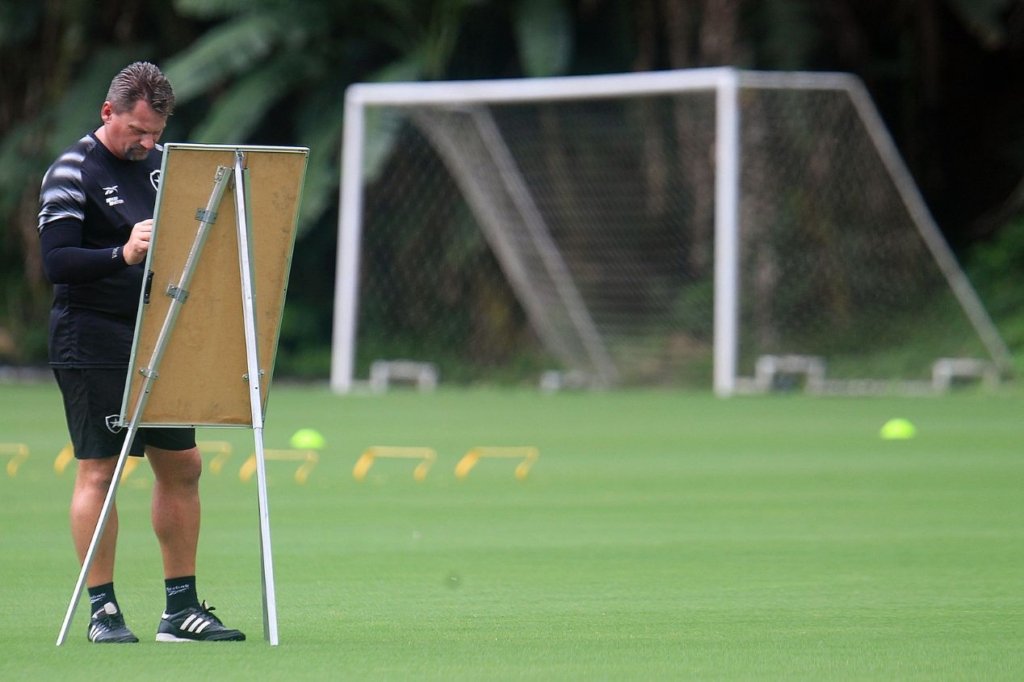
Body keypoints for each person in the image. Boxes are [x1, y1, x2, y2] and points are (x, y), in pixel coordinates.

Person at [38, 61, 245, 643]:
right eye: (138, 130)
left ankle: (180, 611)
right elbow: (55, 262)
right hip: (92, 335)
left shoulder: (164, 168)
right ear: (109, 113)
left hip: (160, 333)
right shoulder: (71, 171)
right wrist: (121, 254)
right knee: (100, 471)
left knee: (183, 465)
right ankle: (103, 612)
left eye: (156, 132)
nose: (148, 142)